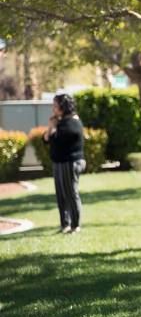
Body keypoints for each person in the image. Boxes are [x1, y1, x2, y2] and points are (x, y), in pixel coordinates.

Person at [43, 93, 85, 234]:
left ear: (63, 106)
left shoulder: (72, 122)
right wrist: (51, 128)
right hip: (59, 163)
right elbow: (47, 140)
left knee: (71, 193)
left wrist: (53, 128)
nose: (53, 108)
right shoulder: (60, 122)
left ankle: (75, 225)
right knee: (61, 195)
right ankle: (65, 224)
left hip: (69, 163)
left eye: (55, 105)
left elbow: (57, 140)